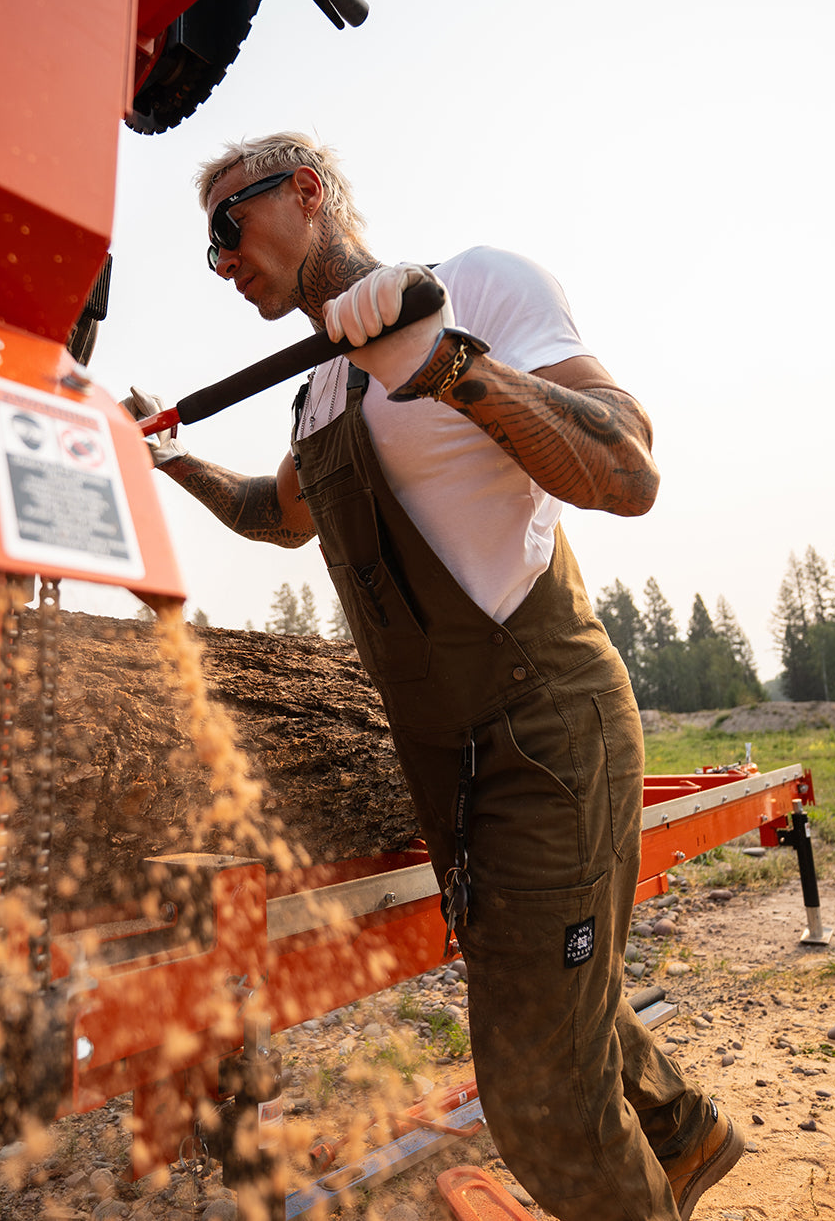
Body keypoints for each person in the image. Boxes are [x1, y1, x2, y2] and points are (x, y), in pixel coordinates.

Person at [125, 132, 745, 1221]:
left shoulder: (475, 288)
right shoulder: (319, 388)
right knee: (530, 984)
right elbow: (280, 515)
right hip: (448, 758)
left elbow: (626, 467)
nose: (220, 261)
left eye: (229, 225)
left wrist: (449, 365)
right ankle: (687, 1138)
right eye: (206, 247)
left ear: (306, 193)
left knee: (539, 1091)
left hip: (547, 732)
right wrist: (171, 461)